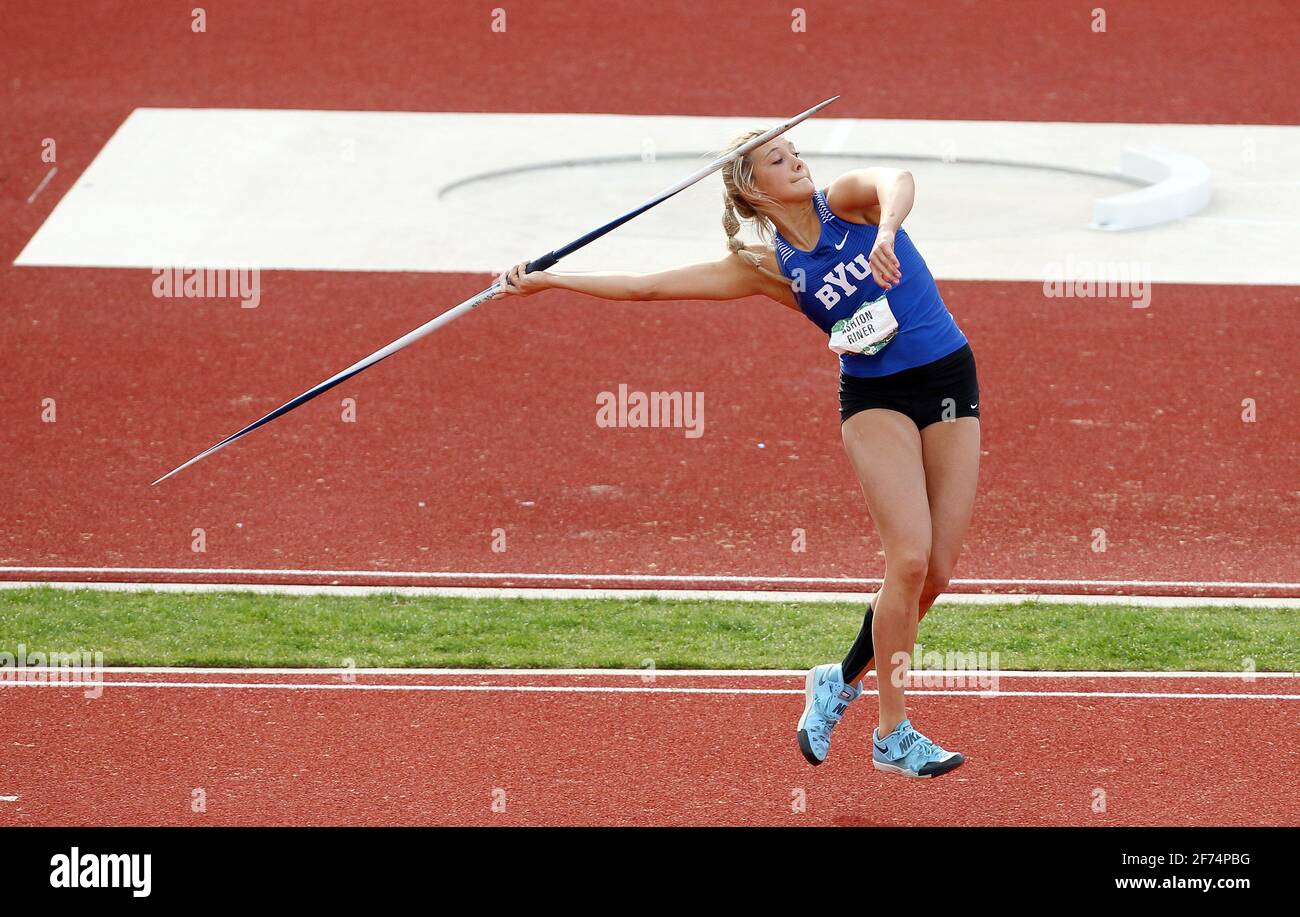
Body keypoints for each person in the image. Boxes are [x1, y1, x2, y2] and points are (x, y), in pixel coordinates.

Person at [493, 128, 980, 779]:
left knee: (935, 574)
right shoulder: (769, 267)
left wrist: (888, 232)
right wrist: (551, 281)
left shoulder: (848, 204)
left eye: (795, 151)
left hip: (950, 378)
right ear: (752, 188)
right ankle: (893, 731)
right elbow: (648, 287)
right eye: (779, 160)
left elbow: (899, 180)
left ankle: (835, 683)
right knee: (910, 558)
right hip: (873, 399)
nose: (798, 161)